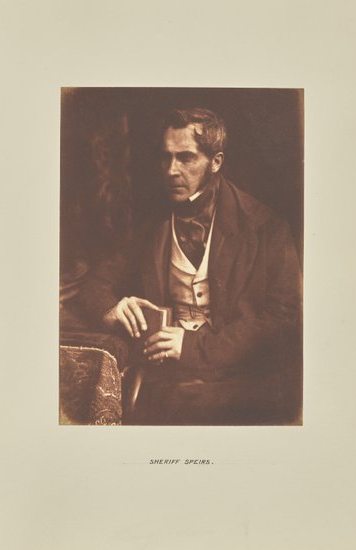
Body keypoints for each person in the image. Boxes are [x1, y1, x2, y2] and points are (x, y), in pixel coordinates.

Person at [78, 107, 302, 425]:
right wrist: (112, 309)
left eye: (186, 158)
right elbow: (95, 284)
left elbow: (283, 317)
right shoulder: (154, 225)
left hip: (240, 382)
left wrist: (193, 348)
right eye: (166, 157)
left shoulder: (265, 226)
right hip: (165, 379)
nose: (171, 170)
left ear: (216, 161)